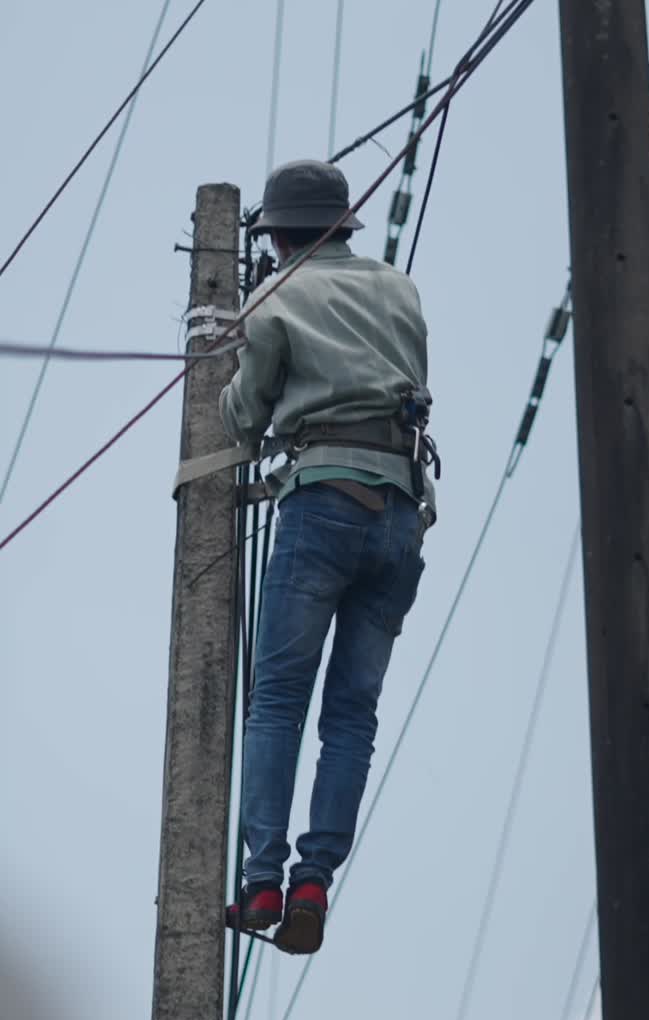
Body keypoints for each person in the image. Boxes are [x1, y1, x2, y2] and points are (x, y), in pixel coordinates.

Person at [219, 159, 437, 955]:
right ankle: (314, 881)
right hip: (402, 513)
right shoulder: (399, 289)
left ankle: (263, 882)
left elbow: (244, 415)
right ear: (343, 224)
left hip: (323, 505)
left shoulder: (276, 296)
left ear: (277, 236)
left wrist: (225, 354)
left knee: (278, 700)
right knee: (352, 713)